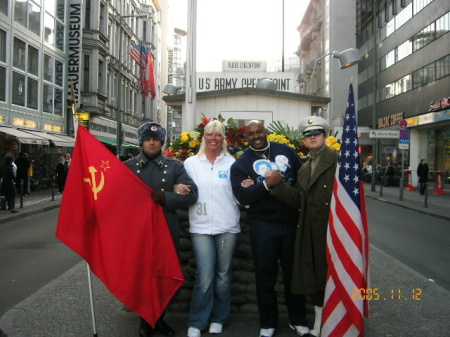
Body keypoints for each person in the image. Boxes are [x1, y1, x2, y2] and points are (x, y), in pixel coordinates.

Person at [230, 120, 308, 337]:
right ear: (245, 137)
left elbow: (302, 182)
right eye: (252, 133)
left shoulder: (287, 151)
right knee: (265, 275)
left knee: (294, 274)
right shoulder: (241, 164)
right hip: (262, 226)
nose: (257, 136)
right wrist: (265, 185)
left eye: (260, 131)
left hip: (292, 223)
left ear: (266, 131)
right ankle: (268, 322)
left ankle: (298, 319)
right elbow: (243, 197)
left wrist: (256, 187)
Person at [265, 116, 339, 337]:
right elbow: (298, 200)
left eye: (316, 133)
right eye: (308, 134)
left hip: (332, 230)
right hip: (311, 231)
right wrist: (276, 186)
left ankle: (340, 323)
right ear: (304, 140)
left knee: (334, 277)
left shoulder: (338, 159)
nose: (312, 137)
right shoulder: (305, 167)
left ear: (325, 136)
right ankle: (319, 324)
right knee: (316, 278)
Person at [124, 122, 198, 337]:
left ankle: (159, 319)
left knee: (164, 277)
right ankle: (145, 320)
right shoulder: (128, 167)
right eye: (147, 139)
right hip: (138, 232)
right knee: (142, 278)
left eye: (156, 139)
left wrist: (166, 197)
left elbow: (192, 194)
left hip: (166, 229)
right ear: (141, 141)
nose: (152, 142)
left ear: (162, 142)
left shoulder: (175, 167)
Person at [183, 120, 243, 337]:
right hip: (200, 226)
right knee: (204, 275)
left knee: (223, 275)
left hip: (227, 225)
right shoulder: (191, 163)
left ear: (223, 138)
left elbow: (239, 193)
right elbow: (183, 187)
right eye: (210, 134)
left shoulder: (232, 163)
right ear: (204, 137)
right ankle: (197, 321)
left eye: (218, 135)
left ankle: (219, 317)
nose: (214, 138)